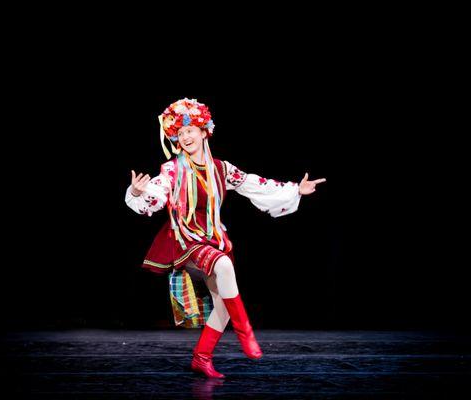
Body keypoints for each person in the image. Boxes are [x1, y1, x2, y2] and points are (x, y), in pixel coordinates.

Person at [125, 98, 326, 378]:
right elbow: (155, 195)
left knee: (223, 303)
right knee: (223, 266)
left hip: (214, 239)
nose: (185, 137)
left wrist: (295, 190)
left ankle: (202, 357)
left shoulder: (222, 169)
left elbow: (255, 185)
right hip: (187, 240)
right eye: (180, 134)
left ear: (204, 131)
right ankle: (246, 332)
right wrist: (136, 193)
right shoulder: (173, 170)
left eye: (190, 131)